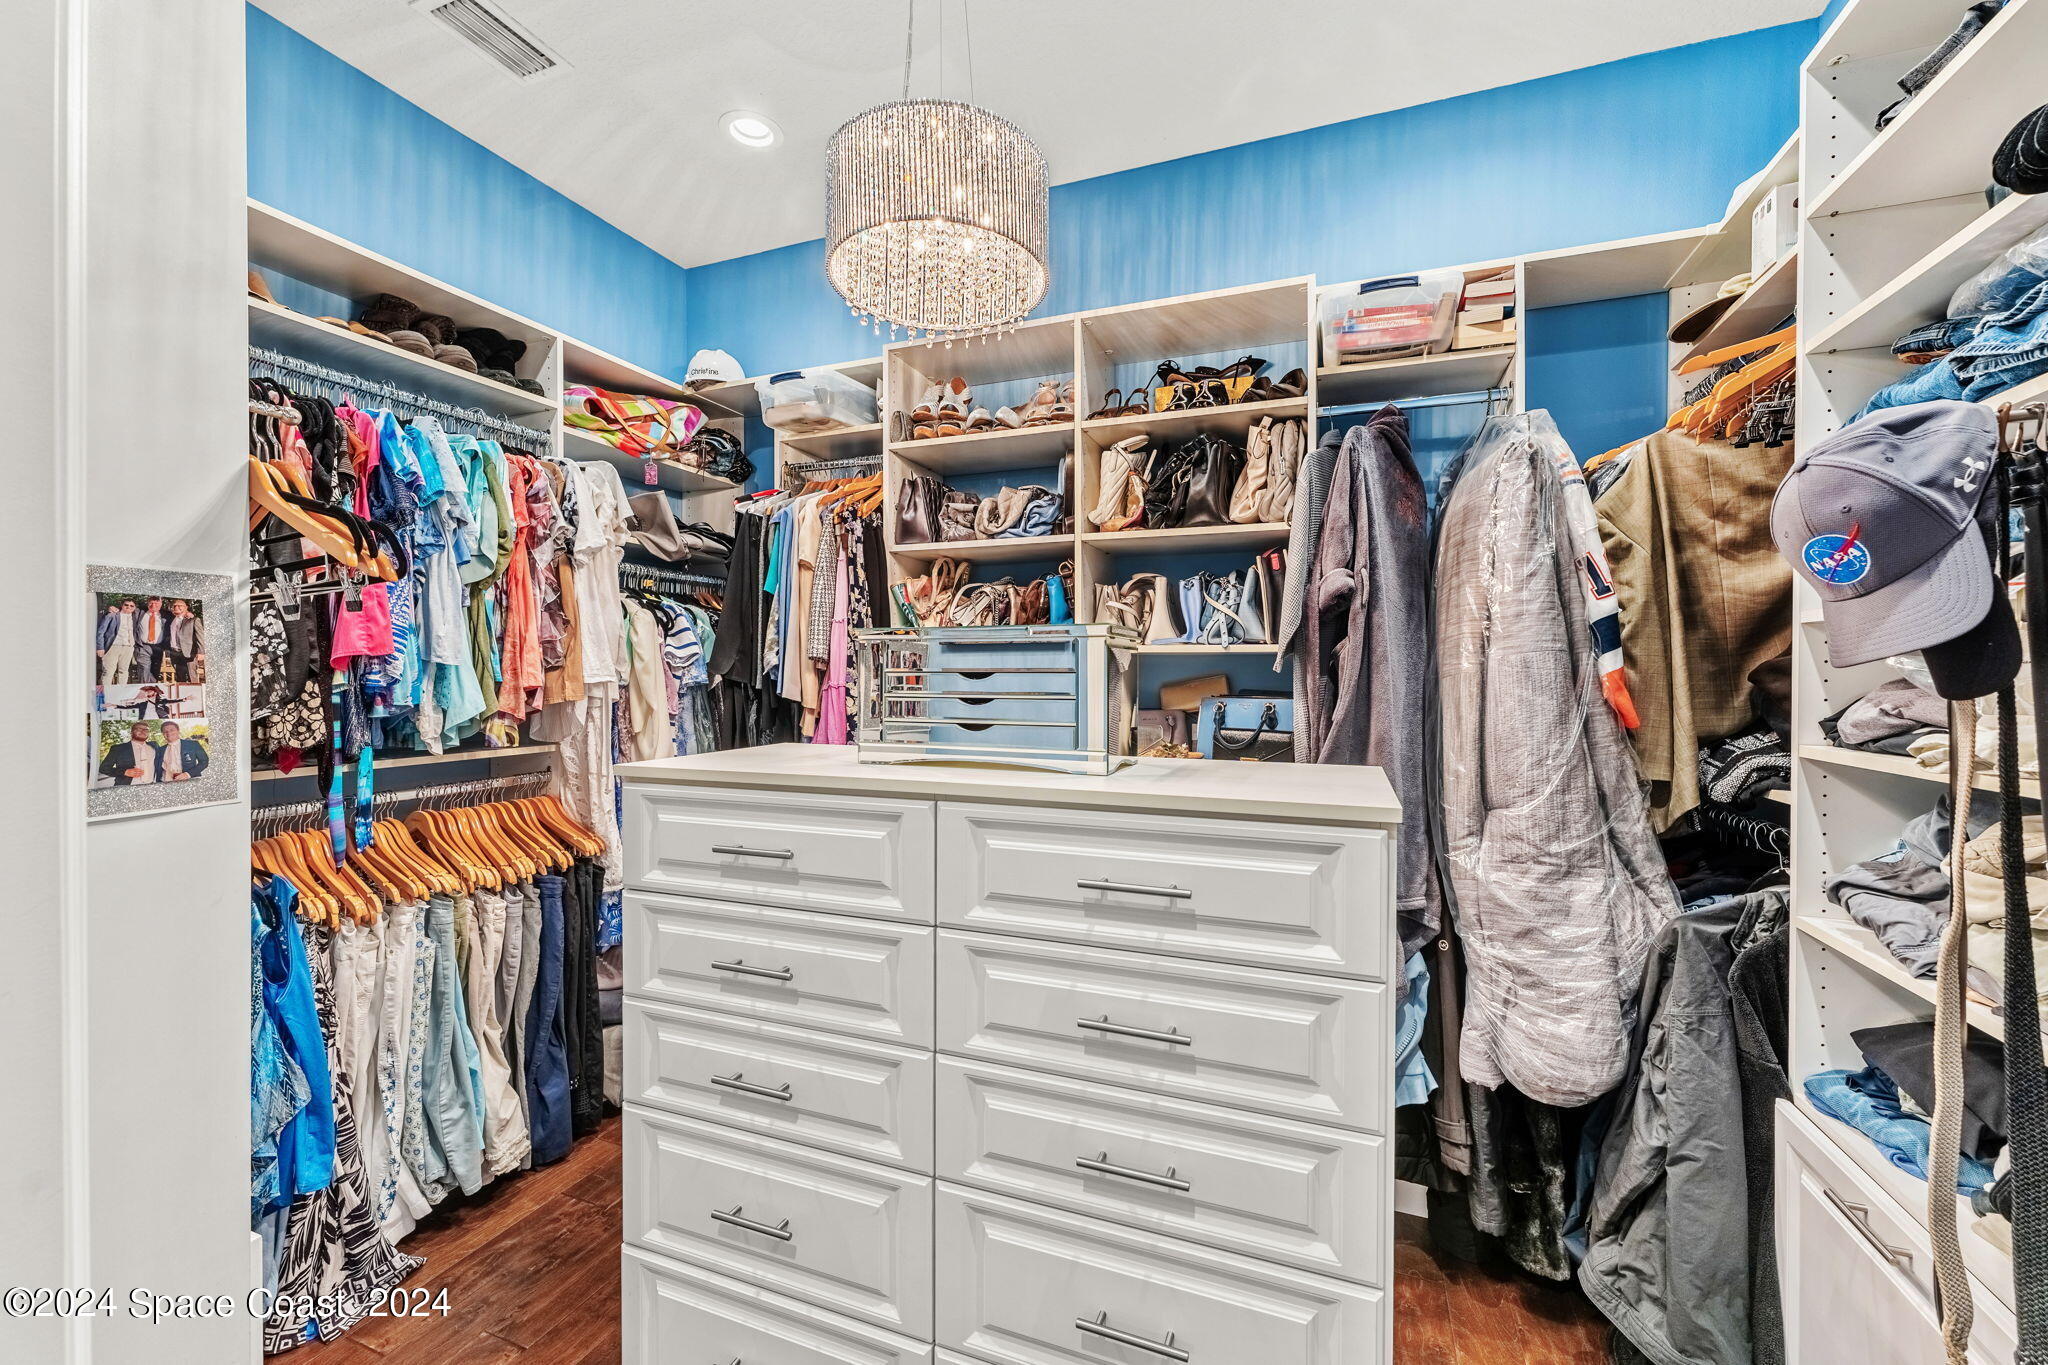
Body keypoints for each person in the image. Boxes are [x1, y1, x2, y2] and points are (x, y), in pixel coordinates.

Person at [98, 721, 158, 786]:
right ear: (131, 732)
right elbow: (103, 768)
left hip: (151, 787)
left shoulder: (154, 746)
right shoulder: (118, 748)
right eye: (139, 729)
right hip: (126, 787)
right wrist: (124, 772)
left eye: (146, 730)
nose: (143, 731)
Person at [96, 599, 137, 685]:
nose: (128, 607)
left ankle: (120, 695)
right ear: (122, 605)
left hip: (128, 647)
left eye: (131, 606)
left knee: (124, 672)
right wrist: (100, 647)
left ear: (134, 608)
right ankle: (104, 694)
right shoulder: (112, 615)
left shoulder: (135, 616)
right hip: (113, 646)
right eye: (126, 605)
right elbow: (101, 631)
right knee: (108, 671)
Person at [165, 599, 202, 682]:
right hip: (175, 653)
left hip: (189, 653)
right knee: (180, 678)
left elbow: (200, 637)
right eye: (174, 606)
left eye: (180, 605)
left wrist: (201, 652)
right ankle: (183, 694)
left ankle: (194, 694)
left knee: (192, 676)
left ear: (186, 607)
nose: (176, 607)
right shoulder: (170, 620)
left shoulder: (193, 620)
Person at [134, 596, 169, 682]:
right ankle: (144, 690)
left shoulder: (167, 615)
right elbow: (126, 608)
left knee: (155, 671)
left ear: (161, 603)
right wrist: (114, 608)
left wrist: (188, 614)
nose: (153, 605)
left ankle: (152, 692)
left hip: (158, 647)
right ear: (147, 603)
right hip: (143, 646)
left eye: (156, 602)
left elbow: (180, 615)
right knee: (144, 669)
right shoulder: (139, 612)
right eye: (151, 602)